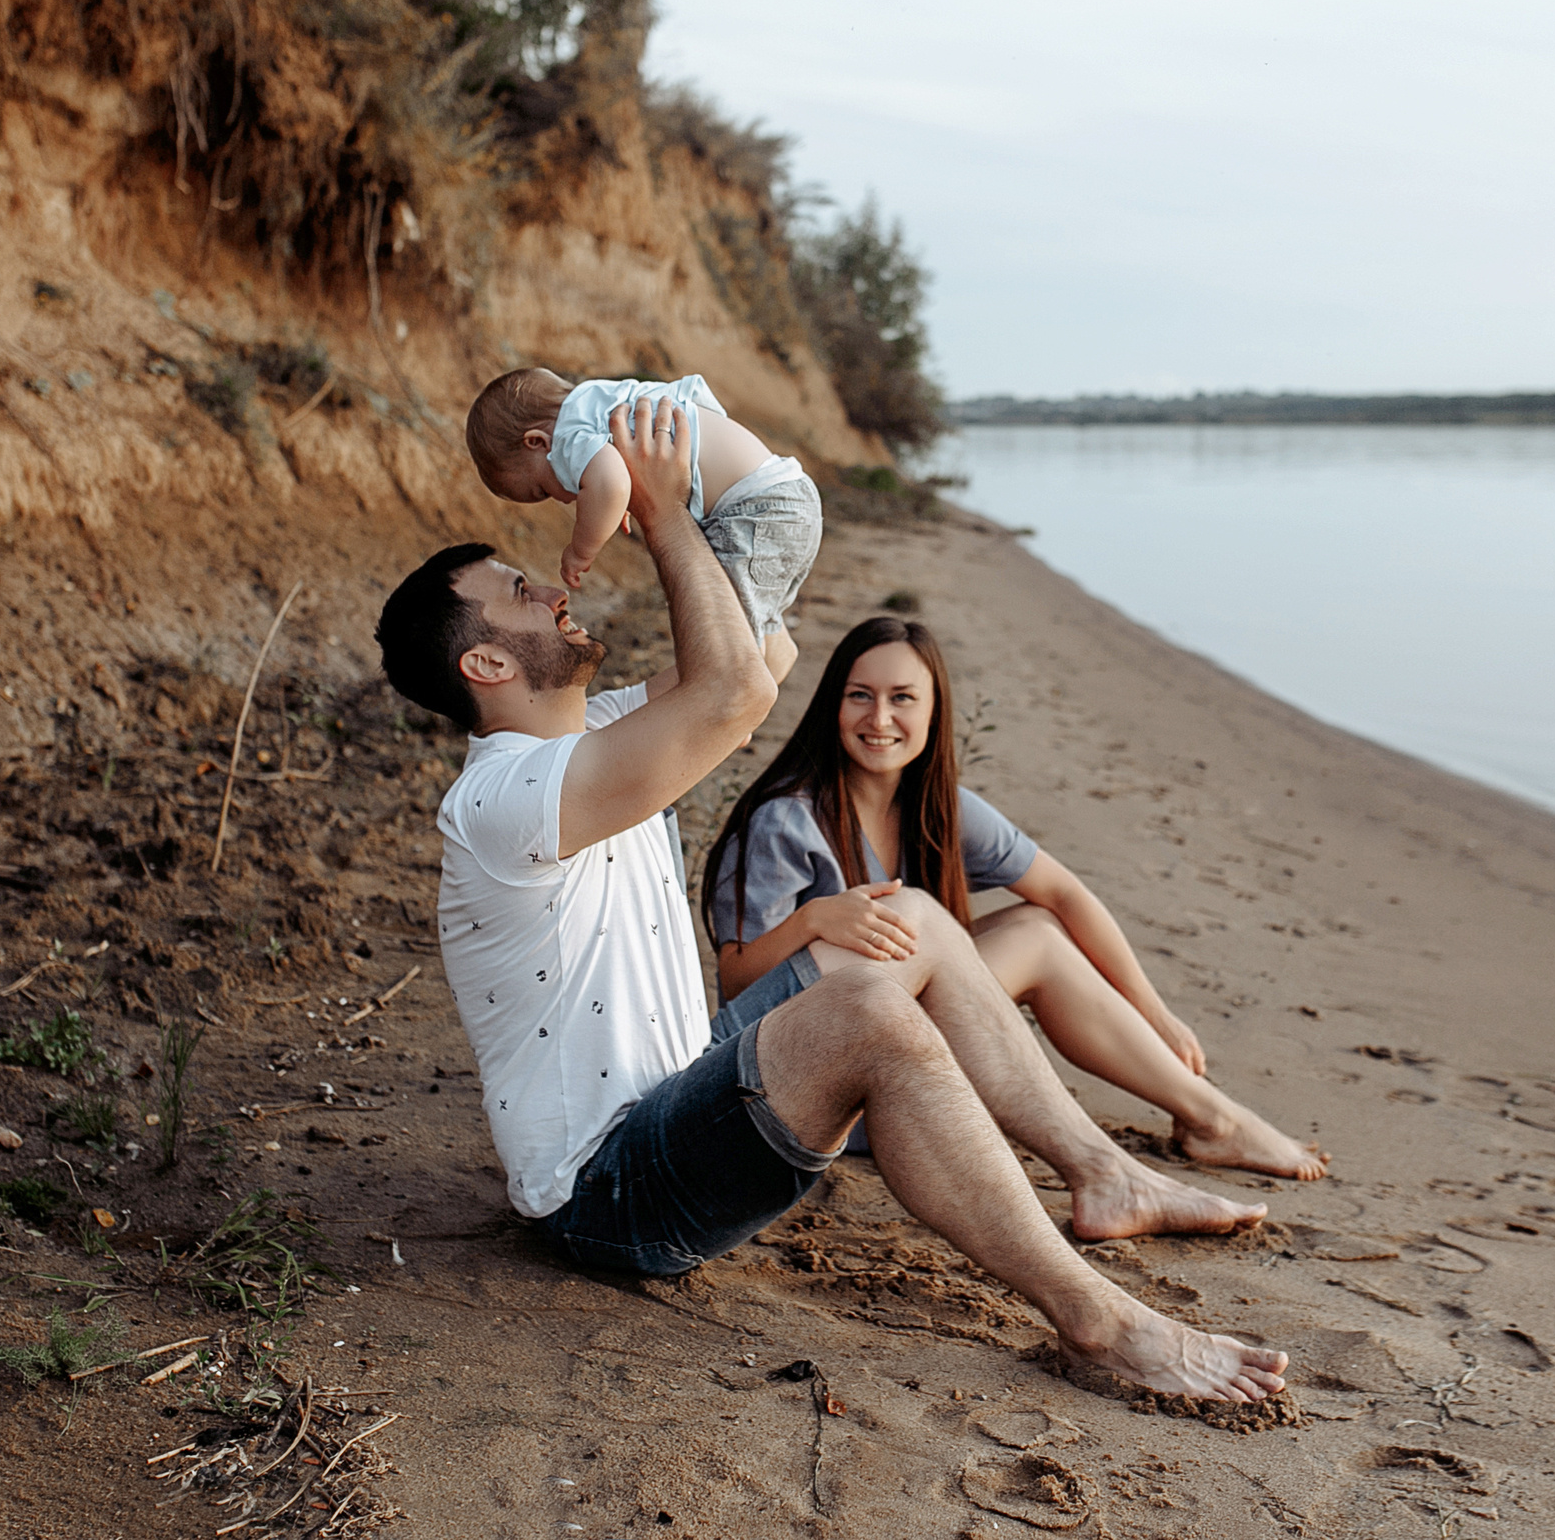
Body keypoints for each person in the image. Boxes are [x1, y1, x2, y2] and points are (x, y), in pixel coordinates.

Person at [376, 392, 1286, 1403]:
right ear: (486, 662)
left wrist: (725, 502)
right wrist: (669, 521)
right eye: (517, 591)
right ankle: (1100, 1318)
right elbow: (733, 695)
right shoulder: (500, 797)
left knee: (915, 921)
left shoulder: (604, 735)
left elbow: (764, 655)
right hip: (608, 1192)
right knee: (865, 1012)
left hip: (684, 1086)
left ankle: (1100, 1169)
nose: (550, 587)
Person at [705, 617, 1330, 1182]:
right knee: (1030, 938)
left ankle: (1206, 1116)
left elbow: (1063, 891)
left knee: (1037, 921)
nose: (879, 719)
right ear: (832, 704)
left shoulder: (938, 810)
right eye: (860, 696)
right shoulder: (787, 818)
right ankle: (1213, 1121)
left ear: (934, 710)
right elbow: (736, 983)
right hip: (816, 1075)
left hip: (904, 1049)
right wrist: (815, 918)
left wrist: (1155, 1015)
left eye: (903, 699)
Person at [466, 367, 819, 686]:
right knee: (753, 607)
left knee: (720, 621)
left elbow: (611, 485)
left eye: (542, 489)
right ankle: (770, 657)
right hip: (786, 489)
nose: (562, 498)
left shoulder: (567, 434)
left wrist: (580, 550)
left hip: (753, 509)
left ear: (537, 442)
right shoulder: (603, 399)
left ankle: (736, 690)